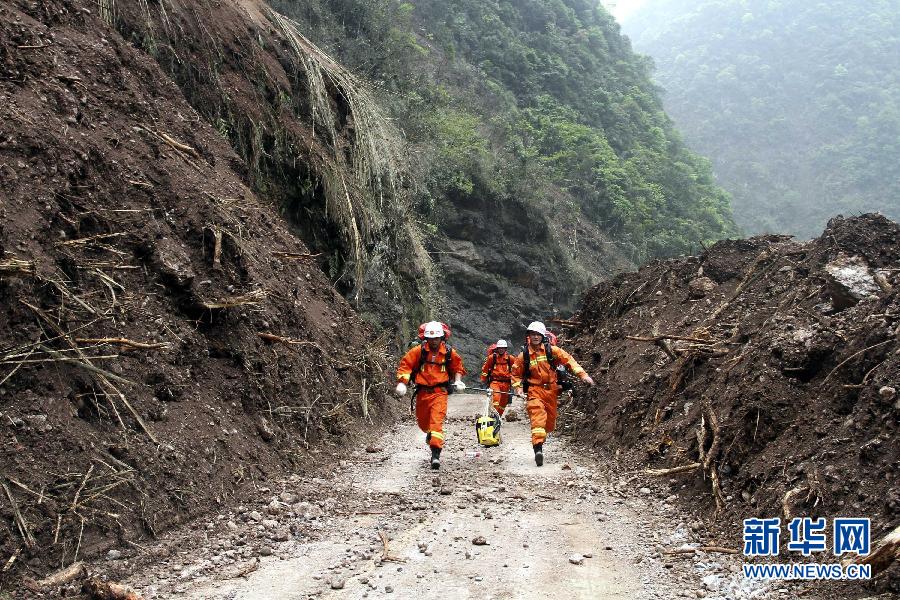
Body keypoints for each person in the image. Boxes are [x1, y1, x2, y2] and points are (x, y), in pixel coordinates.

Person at [511, 321, 594, 466]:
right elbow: (516, 374)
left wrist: (583, 375)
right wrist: (518, 389)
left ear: (542, 336)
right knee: (538, 417)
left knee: (549, 425)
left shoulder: (552, 351)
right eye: (532, 334)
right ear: (528, 336)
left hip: (551, 391)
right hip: (534, 390)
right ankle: (538, 449)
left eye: (538, 334)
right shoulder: (523, 355)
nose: (535, 337)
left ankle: (540, 440)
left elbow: (569, 361)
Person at [394, 321, 466, 469]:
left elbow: (458, 367)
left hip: (440, 393)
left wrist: (458, 381)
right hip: (422, 393)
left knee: (436, 422)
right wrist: (403, 382)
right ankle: (430, 434)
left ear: (442, 338)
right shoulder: (418, 351)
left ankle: (435, 455)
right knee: (423, 423)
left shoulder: (449, 352)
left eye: (436, 338)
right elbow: (405, 365)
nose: (434, 341)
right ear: (425, 338)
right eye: (430, 338)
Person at [480, 340, 514, 415]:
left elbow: (515, 371)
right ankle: (493, 415)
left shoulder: (510, 359)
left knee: (503, 403)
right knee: (496, 397)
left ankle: (498, 418)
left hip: (506, 384)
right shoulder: (492, 358)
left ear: (506, 349)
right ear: (497, 348)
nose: (501, 349)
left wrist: (515, 384)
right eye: (500, 348)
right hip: (495, 382)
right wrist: (483, 381)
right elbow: (485, 370)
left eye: (503, 348)